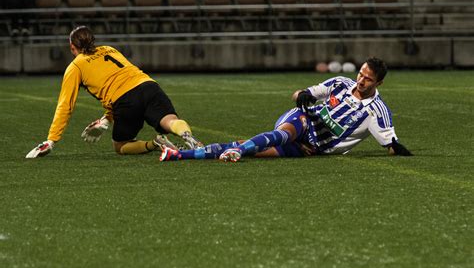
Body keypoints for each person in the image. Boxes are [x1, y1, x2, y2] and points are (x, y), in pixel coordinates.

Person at [159, 57, 412, 162]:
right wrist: (301, 95)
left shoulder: (377, 111)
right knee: (282, 134)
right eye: (360, 73)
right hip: (302, 120)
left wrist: (405, 152)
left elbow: (391, 145)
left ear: (378, 83)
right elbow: (300, 94)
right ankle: (238, 150)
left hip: (313, 148)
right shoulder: (340, 83)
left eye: (368, 79)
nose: (360, 80)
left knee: (252, 150)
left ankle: (179, 156)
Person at [26, 25, 202, 158]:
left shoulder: (75, 67)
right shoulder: (109, 49)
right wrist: (106, 118)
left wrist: (52, 139)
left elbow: (65, 105)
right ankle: (187, 136)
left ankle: (155, 144)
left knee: (120, 145)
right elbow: (120, 78)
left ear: (72, 47)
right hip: (148, 85)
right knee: (170, 120)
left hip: (125, 100)